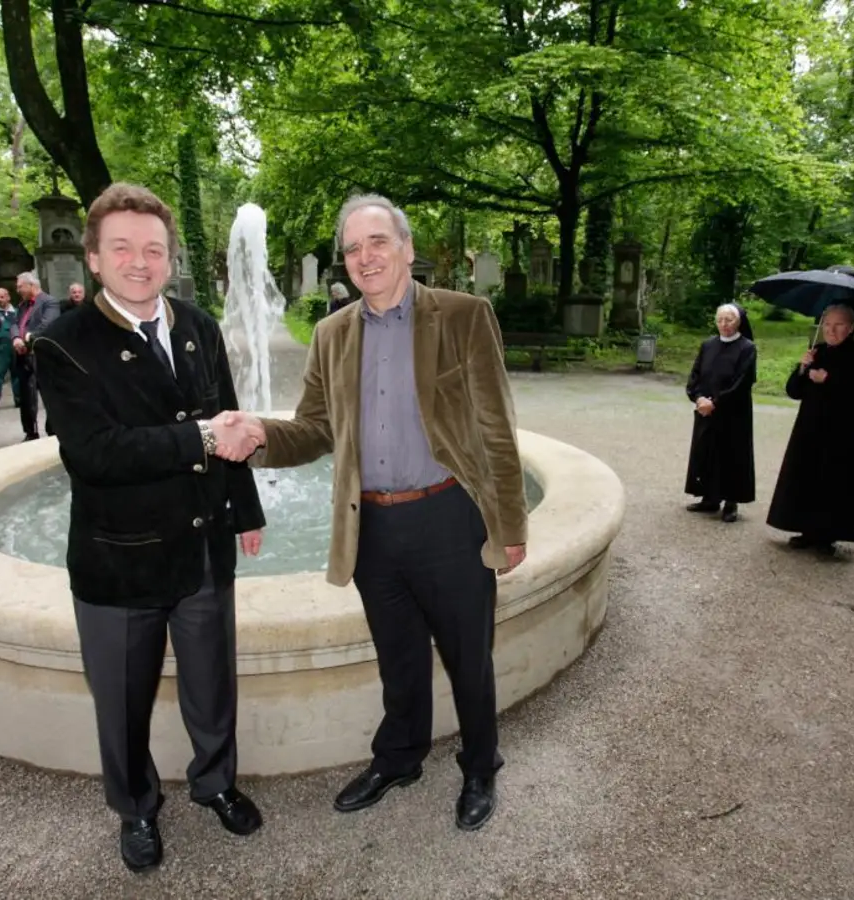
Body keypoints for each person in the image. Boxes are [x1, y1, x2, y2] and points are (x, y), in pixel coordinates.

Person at [228, 193, 527, 832]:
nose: (365, 257)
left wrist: (509, 525)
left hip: (449, 518)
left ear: (406, 249)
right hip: (372, 526)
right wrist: (259, 435)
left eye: (378, 242)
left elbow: (496, 429)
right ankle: (399, 759)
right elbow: (314, 429)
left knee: (468, 656)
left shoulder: (464, 316)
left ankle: (480, 765)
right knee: (398, 655)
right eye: (353, 248)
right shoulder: (332, 333)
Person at [32, 183, 267, 875]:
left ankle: (215, 783)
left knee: (212, 685)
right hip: (119, 561)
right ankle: (135, 807)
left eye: (154, 249)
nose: (140, 261)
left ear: (170, 257)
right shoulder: (62, 345)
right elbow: (95, 454)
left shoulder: (198, 326)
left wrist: (245, 511)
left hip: (202, 547)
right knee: (123, 702)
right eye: (123, 248)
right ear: (94, 258)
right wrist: (200, 438)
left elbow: (230, 420)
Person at [766, 303, 854, 555]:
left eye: (838, 325)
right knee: (807, 475)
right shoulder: (817, 352)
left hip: (846, 430)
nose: (831, 330)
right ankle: (806, 529)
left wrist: (828, 379)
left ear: (850, 328)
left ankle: (827, 535)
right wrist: (802, 368)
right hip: (811, 426)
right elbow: (793, 391)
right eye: (827, 324)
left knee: (835, 480)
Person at [684, 303, 758, 522]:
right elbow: (695, 374)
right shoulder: (708, 345)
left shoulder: (747, 348)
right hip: (705, 410)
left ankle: (731, 502)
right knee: (706, 451)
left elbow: (742, 382)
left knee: (731, 455)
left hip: (733, 412)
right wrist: (697, 397)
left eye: (729, 320)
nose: (724, 324)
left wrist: (715, 402)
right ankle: (709, 497)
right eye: (720, 320)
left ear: (739, 322)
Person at [11, 271, 61, 440]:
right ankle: (30, 431)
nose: (18, 290)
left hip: (42, 355)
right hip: (23, 355)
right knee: (26, 396)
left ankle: (53, 429)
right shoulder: (22, 305)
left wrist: (25, 340)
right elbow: (15, 324)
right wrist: (16, 338)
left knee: (49, 393)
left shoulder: (49, 302)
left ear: (31, 285)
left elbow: (47, 325)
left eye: (20, 286)